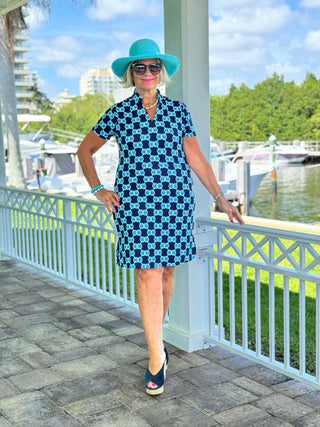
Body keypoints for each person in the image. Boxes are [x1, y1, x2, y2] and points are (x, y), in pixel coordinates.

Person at [77, 38, 244, 396]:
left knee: (167, 271)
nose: (148, 73)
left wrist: (221, 199)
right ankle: (156, 356)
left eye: (154, 67)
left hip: (174, 204)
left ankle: (158, 341)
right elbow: (85, 151)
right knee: (147, 272)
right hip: (135, 206)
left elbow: (196, 159)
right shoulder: (118, 114)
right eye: (141, 67)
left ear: (161, 73)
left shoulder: (178, 111)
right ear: (131, 74)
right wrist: (99, 189)